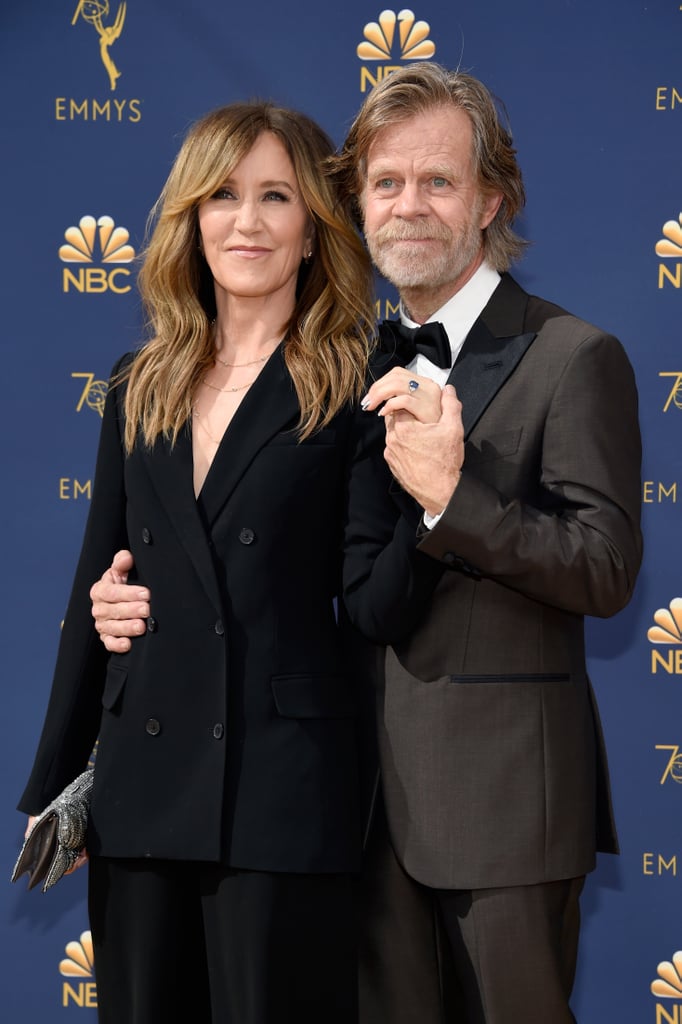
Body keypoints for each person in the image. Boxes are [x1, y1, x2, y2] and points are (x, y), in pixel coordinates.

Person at [89, 64, 644, 1023]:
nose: (410, 205)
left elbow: (604, 567)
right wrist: (130, 600)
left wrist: (450, 500)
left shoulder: (573, 356)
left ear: (490, 201)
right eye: (386, 183)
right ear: (356, 207)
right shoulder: (355, 363)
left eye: (439, 181)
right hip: (355, 805)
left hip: (506, 809)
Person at [17, 100, 406, 1024]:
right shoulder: (137, 383)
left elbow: (375, 602)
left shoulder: (354, 380)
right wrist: (51, 784)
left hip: (283, 794)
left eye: (276, 196)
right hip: (142, 794)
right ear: (192, 218)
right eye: (224, 195)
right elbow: (93, 587)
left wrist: (436, 506)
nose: (249, 220)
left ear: (313, 229)